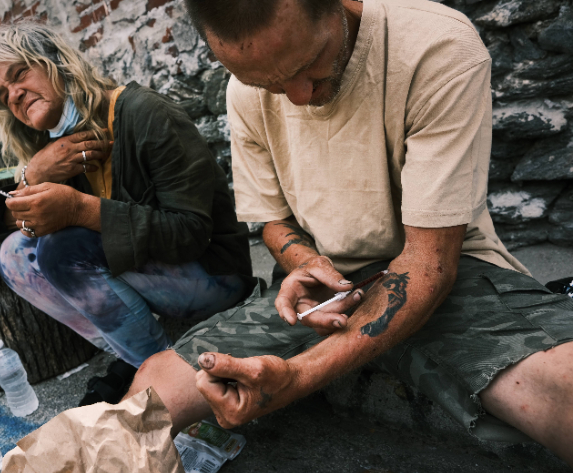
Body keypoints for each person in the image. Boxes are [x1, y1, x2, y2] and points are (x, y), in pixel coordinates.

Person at [124, 0, 573, 465]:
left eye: (308, 65)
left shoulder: (435, 47)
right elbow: (273, 221)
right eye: (269, 85)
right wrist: (303, 263)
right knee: (149, 397)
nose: (297, 97)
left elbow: (428, 264)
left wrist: (296, 377)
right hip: (327, 290)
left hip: (450, 274)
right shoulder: (243, 92)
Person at [0, 23, 254, 403]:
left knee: (61, 252)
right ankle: (142, 357)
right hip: (152, 275)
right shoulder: (51, 147)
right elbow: (1, 222)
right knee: (15, 256)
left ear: (57, 62)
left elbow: (190, 233)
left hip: (214, 277)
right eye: (4, 95)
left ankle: (164, 382)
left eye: (20, 74)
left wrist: (79, 208)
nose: (15, 94)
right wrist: (31, 172)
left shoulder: (142, 112)